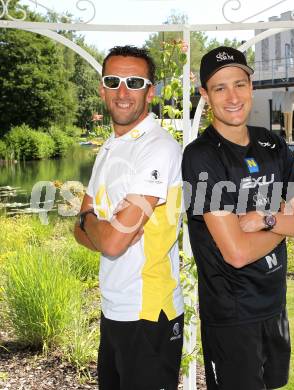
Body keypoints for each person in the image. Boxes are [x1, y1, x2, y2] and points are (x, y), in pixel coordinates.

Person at [182, 46, 294, 390]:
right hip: (232, 316)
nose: (232, 97)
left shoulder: (271, 144)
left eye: (239, 84)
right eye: (219, 88)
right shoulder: (200, 157)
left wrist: (268, 219)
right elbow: (237, 252)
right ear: (205, 95)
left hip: (274, 306)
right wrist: (290, 217)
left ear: (251, 86)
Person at [74, 45, 184, 390]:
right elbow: (84, 229)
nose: (123, 92)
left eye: (134, 82)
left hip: (149, 313)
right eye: (114, 81)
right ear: (102, 89)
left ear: (150, 91)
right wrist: (96, 226)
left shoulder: (158, 147)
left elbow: (111, 239)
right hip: (114, 309)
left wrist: (94, 223)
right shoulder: (110, 147)